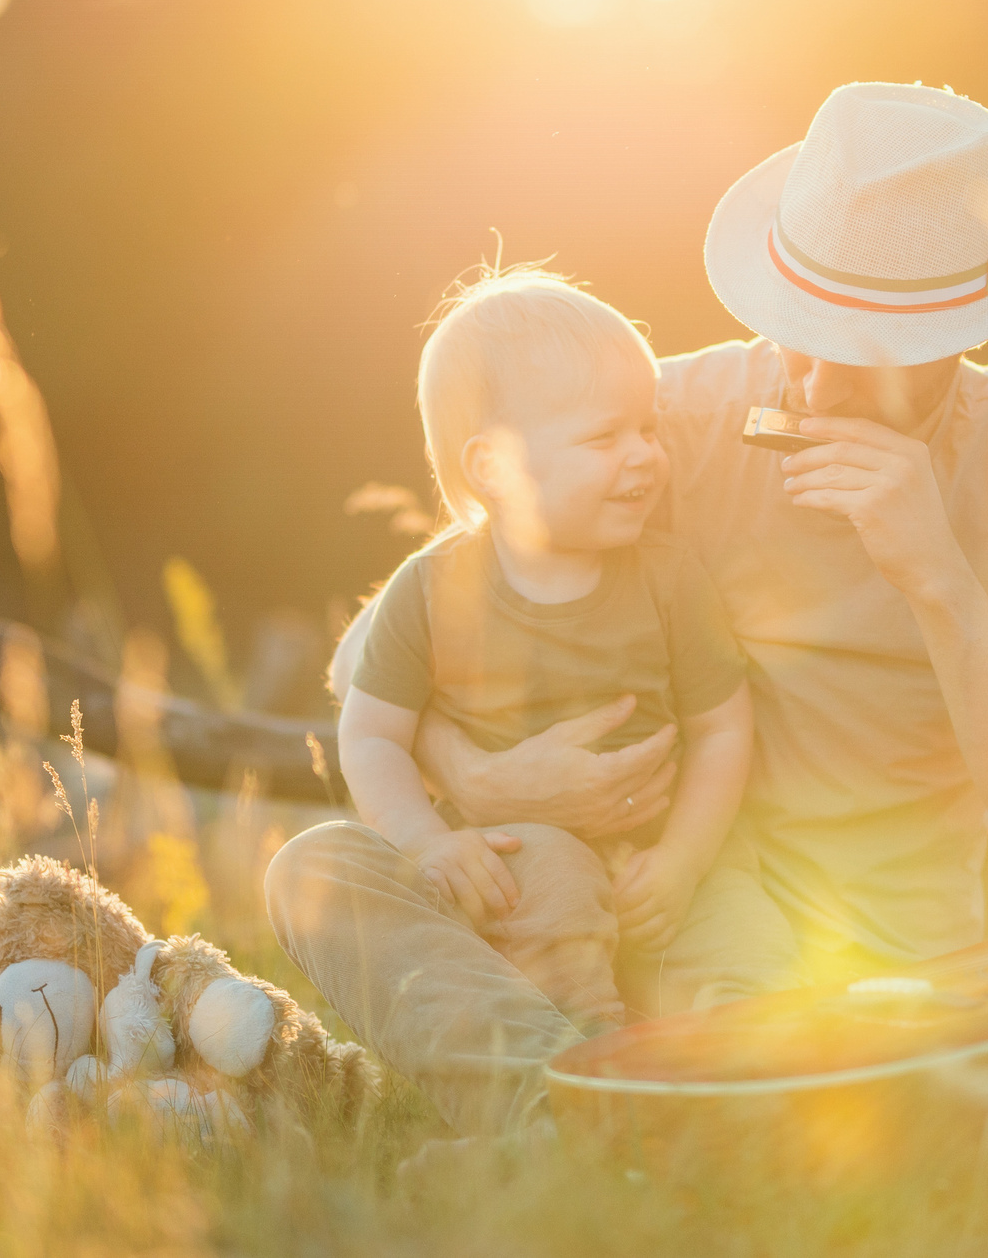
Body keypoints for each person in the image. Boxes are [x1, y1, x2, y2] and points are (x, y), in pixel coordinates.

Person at [269, 81, 988, 1139]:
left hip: (851, 959)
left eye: (859, 357)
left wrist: (939, 580)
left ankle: (665, 1109)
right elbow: (385, 646)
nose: (812, 389)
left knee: (833, 1064)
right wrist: (481, 777)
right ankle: (562, 1108)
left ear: (954, 333)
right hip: (603, 902)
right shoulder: (674, 417)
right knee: (320, 872)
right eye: (796, 333)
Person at [335, 269, 797, 1032]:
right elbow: (371, 732)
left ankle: (741, 1056)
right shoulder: (431, 589)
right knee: (548, 890)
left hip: (668, 862)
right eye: (604, 437)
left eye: (648, 429)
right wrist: (428, 842)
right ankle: (589, 1052)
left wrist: (683, 860)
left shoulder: (670, 577)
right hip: (526, 858)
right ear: (495, 468)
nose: (644, 455)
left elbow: (722, 727)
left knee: (751, 948)